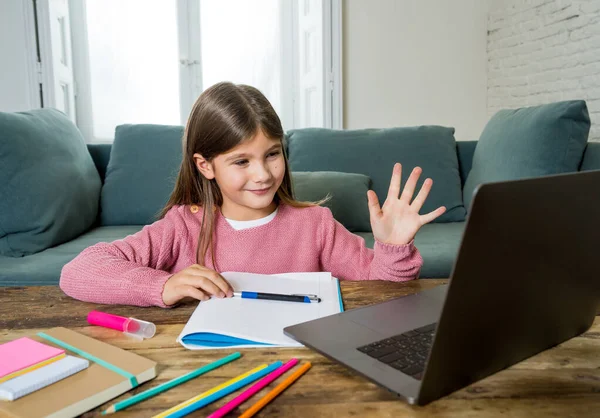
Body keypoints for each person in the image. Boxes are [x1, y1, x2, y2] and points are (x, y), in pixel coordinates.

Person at [60, 82, 446, 308]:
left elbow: (381, 291)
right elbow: (78, 271)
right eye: (241, 161)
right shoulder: (182, 225)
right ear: (206, 166)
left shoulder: (315, 225)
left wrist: (393, 248)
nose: (263, 174)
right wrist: (161, 286)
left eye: (272, 154)